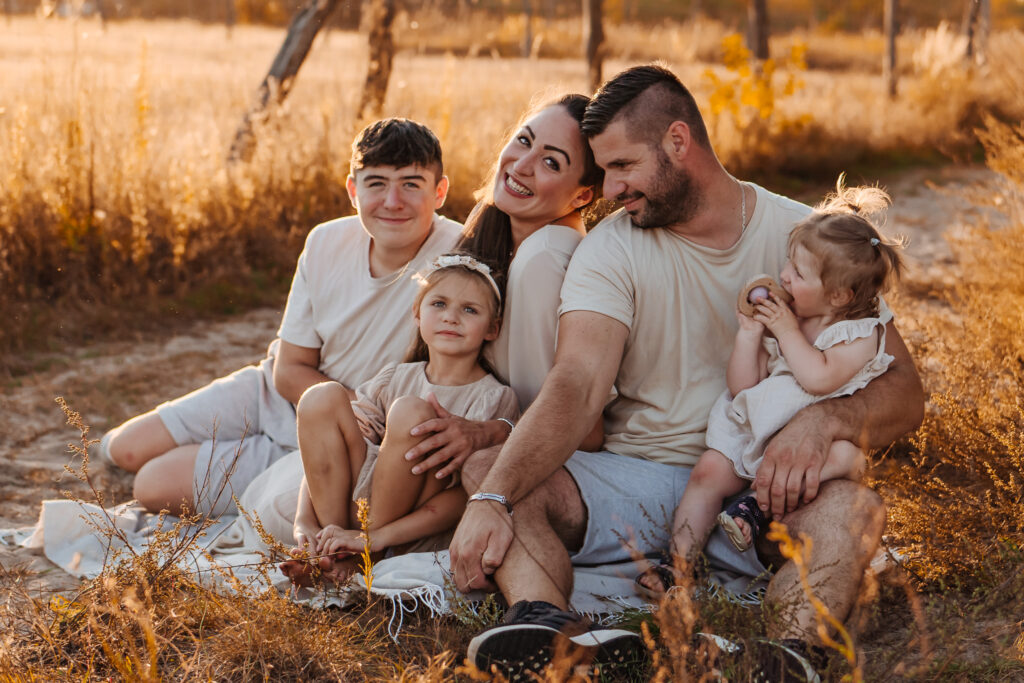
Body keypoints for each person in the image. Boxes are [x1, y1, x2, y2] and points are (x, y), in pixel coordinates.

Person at [449, 65, 924, 680]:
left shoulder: (806, 237)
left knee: (853, 510)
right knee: (493, 471)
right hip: (637, 481)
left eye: (623, 167)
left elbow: (905, 392)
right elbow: (577, 383)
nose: (611, 189)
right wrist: (492, 497)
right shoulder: (610, 249)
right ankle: (550, 631)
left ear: (679, 142)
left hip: (763, 486)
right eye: (605, 171)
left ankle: (783, 658)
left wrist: (823, 421)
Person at [237, 94, 605, 544]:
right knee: (287, 458)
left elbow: (578, 423)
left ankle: (354, 544)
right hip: (401, 444)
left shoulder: (545, 258)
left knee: (268, 502)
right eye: (523, 141)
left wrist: (487, 431)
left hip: (453, 457)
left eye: (551, 162)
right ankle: (324, 532)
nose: (522, 165)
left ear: (583, 195)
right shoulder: (491, 231)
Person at [101, 118, 462, 518]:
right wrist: (343, 403)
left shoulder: (458, 256)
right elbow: (290, 369)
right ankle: (234, 452)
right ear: (352, 190)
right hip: (279, 395)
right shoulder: (325, 241)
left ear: (440, 191)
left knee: (151, 483)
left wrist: (338, 420)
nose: (393, 201)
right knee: (125, 448)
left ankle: (269, 464)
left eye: (411, 184)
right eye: (376, 183)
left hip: (347, 434)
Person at [637, 182, 906, 596]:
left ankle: (757, 507)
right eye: (788, 265)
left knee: (846, 457)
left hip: (809, 448)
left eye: (798, 274)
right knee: (708, 471)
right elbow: (743, 385)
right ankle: (679, 561)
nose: (784, 276)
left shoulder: (859, 334)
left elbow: (818, 378)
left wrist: (783, 329)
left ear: (838, 295)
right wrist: (749, 335)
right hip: (755, 428)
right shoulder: (794, 316)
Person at [280, 253, 519, 584]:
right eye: (439, 303)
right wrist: (302, 520)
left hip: (408, 524)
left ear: (492, 329)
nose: (451, 317)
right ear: (417, 314)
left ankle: (365, 554)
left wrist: (376, 536)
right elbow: (324, 452)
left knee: (411, 411)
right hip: (354, 507)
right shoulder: (394, 377)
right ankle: (330, 549)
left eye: (469, 309)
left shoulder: (493, 398)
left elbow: (465, 496)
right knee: (320, 396)